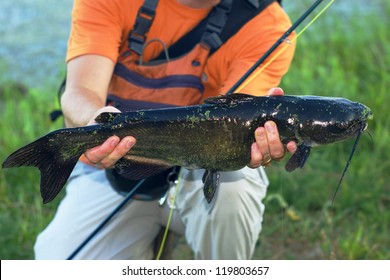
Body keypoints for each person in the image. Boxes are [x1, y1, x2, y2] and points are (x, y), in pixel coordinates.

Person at [34, 0, 297, 260]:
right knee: (56, 260)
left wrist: (251, 143)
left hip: (203, 169)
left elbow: (236, 124)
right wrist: (93, 120)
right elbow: (81, 91)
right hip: (115, 168)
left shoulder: (267, 25)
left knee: (233, 187)